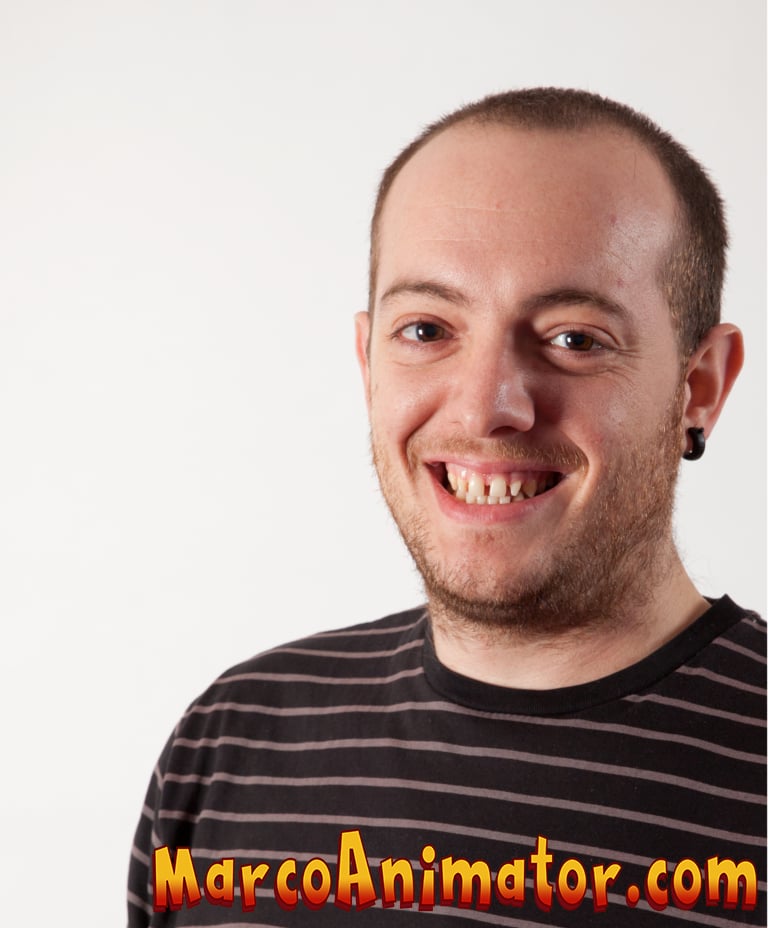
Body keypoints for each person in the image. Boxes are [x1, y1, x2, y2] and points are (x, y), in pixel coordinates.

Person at [128, 88, 766, 926]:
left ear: (700, 387)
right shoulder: (230, 743)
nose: (484, 407)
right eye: (427, 331)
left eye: (574, 338)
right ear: (368, 364)